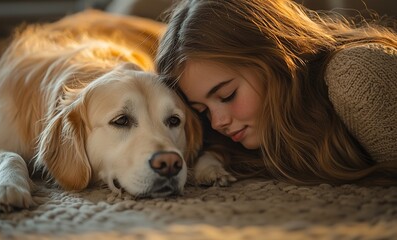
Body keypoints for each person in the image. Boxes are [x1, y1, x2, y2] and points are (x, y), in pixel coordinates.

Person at [155, 0, 397, 185]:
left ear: (275, 60)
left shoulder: (356, 75)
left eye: (228, 95)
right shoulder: (252, 137)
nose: (218, 122)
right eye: (203, 110)